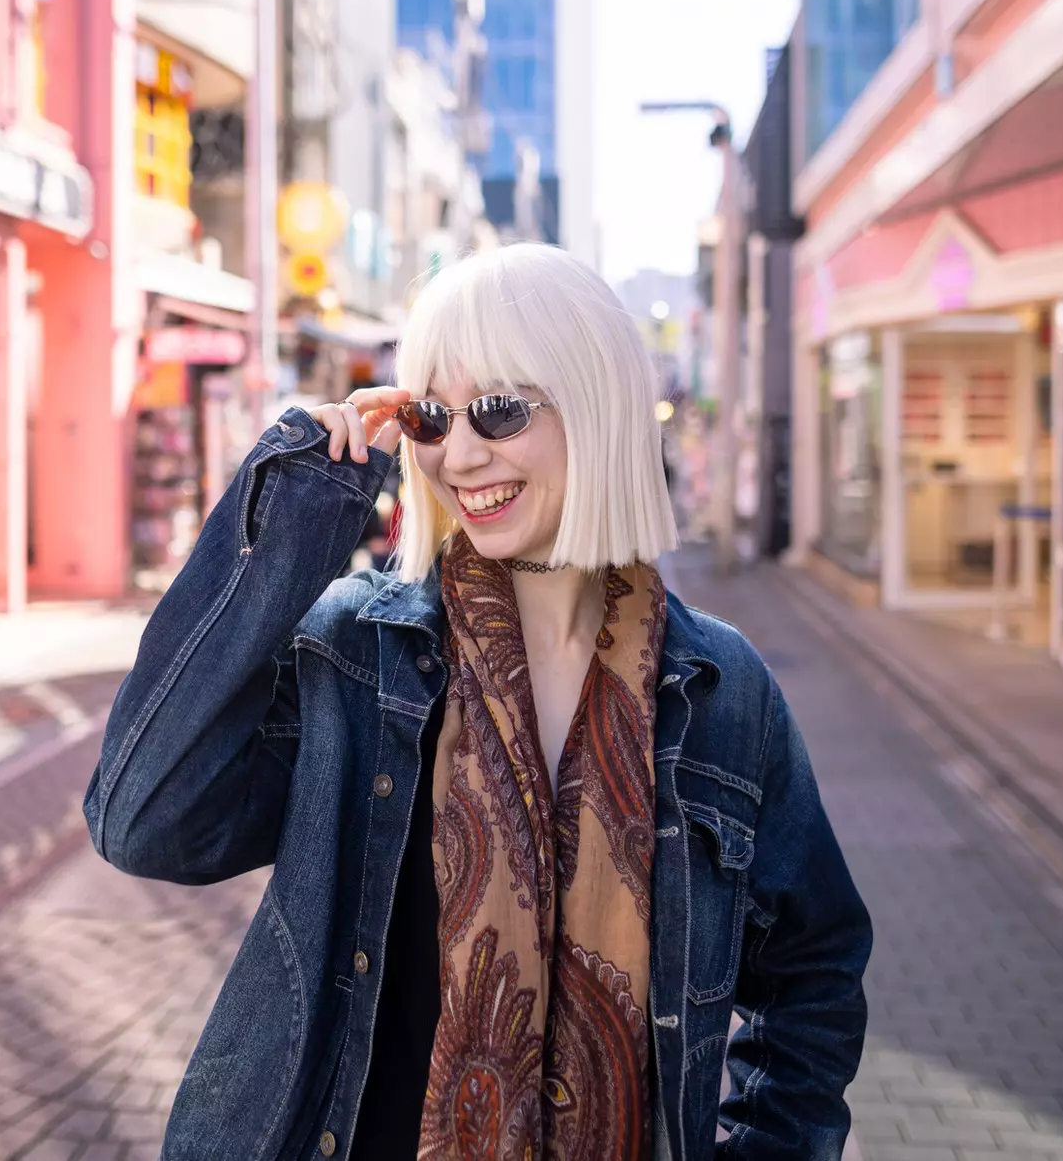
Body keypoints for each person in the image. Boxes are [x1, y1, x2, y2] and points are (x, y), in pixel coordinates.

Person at [86, 244, 871, 1160]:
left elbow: (814, 972)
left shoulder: (722, 695)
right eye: (429, 416)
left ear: (594, 404)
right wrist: (302, 506)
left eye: (497, 410)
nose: (458, 455)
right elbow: (144, 818)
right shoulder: (356, 652)